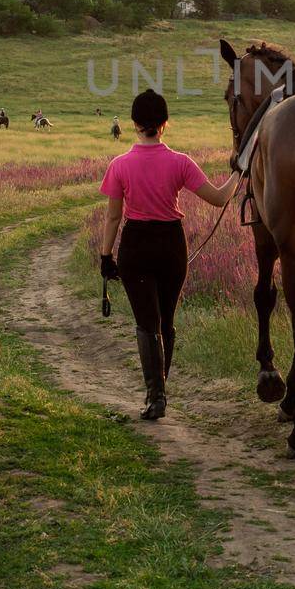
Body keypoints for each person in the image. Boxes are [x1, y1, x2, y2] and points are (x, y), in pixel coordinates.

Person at [98, 89, 235, 419]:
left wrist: (105, 256)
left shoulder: (119, 165)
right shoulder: (181, 162)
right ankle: (159, 391)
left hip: (136, 246)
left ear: (133, 124)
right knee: (166, 322)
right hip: (171, 245)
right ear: (165, 124)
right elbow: (218, 199)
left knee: (147, 324)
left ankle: (155, 395)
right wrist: (238, 174)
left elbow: (114, 217)